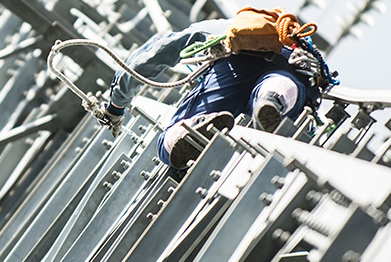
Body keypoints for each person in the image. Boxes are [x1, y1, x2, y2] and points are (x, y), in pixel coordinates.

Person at [99, 9, 330, 170]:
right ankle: (272, 97)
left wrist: (116, 106)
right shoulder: (288, 38)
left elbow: (147, 61)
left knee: (165, 144)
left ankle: (191, 130)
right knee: (278, 88)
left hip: (234, 65)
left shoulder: (213, 29)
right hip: (295, 66)